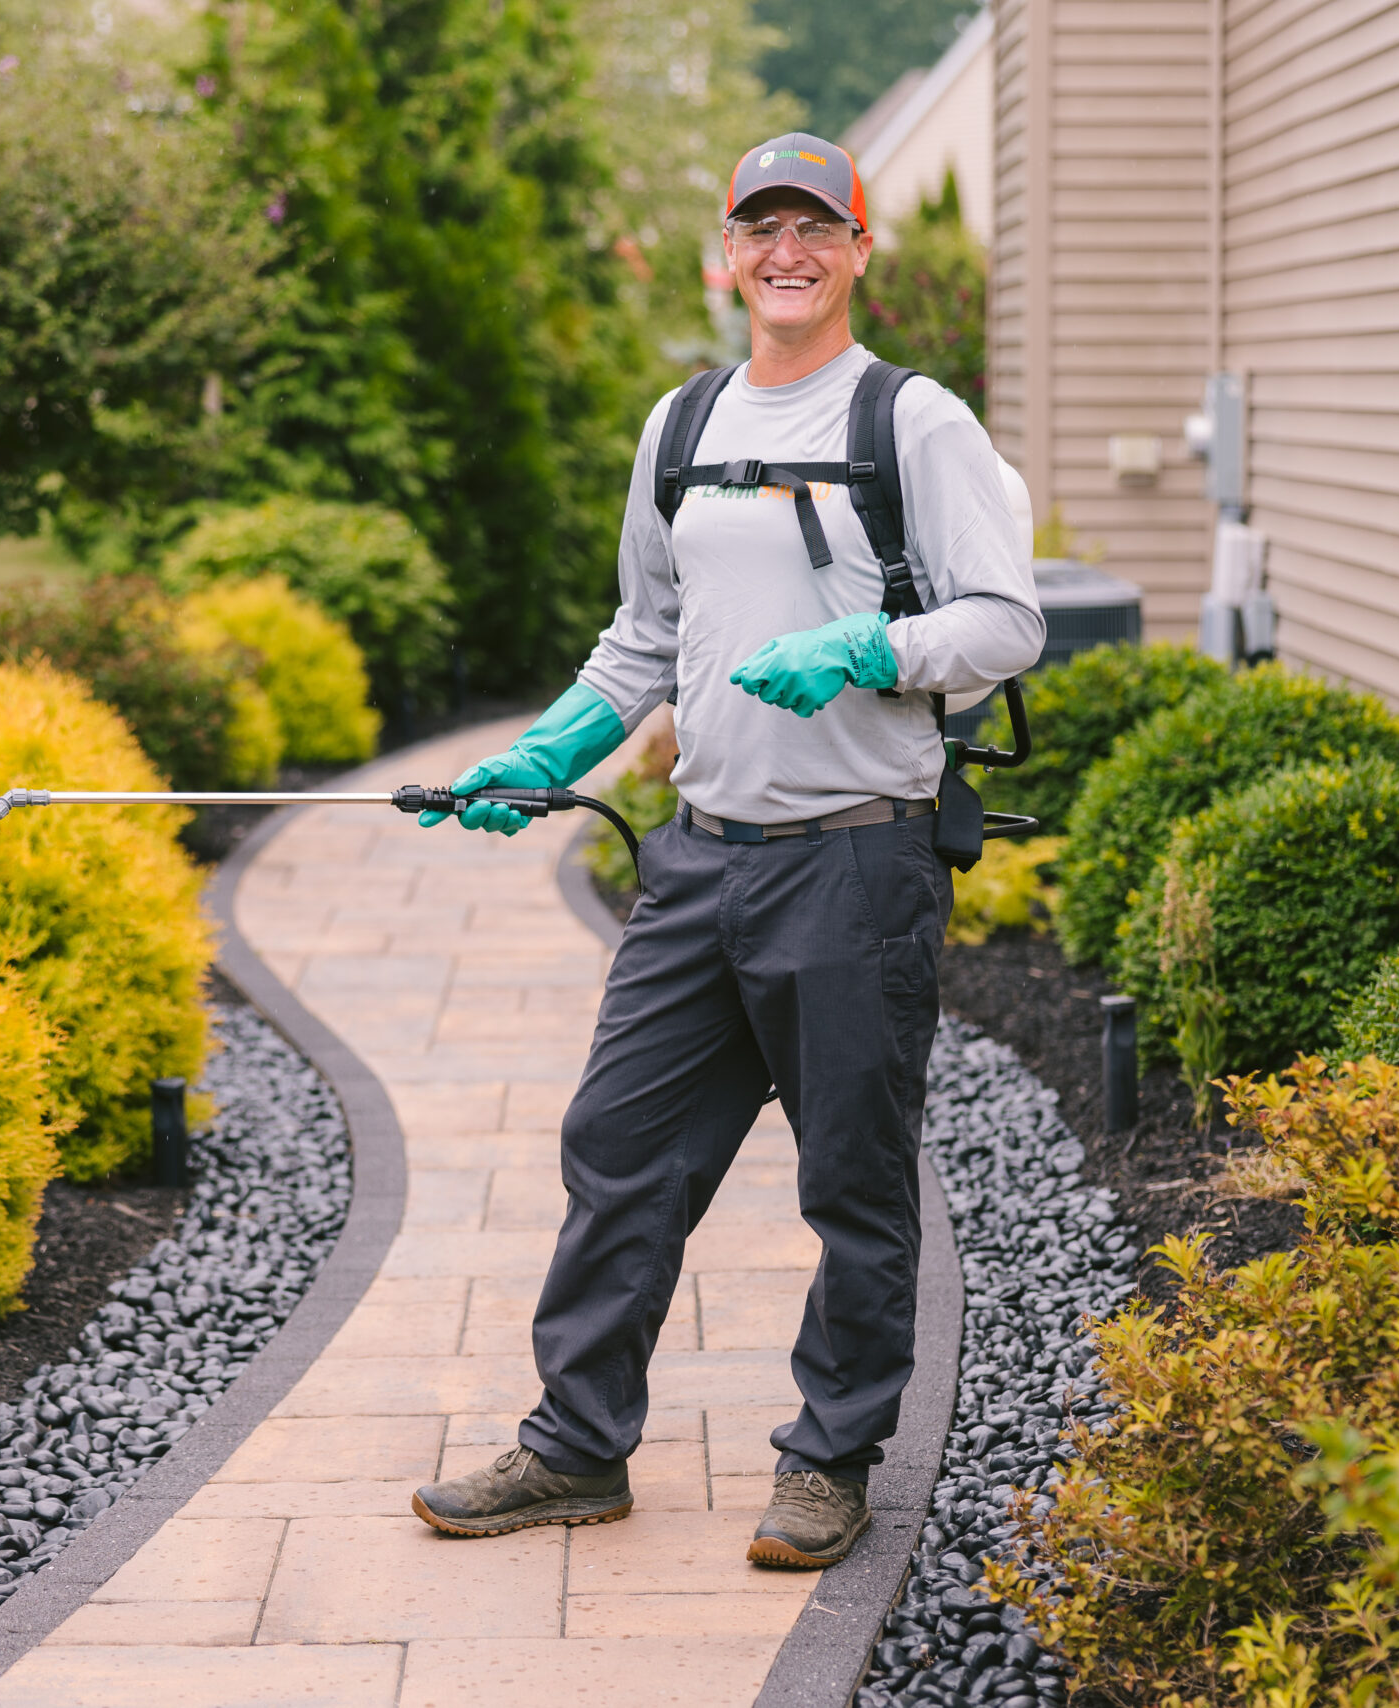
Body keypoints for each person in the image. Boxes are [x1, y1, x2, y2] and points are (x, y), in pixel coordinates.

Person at [409, 134, 1043, 1568]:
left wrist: (870, 648)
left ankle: (829, 1461)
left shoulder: (912, 421)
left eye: (816, 224)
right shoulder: (682, 424)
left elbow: (1010, 621)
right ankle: (576, 1448)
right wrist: (553, 753)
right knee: (618, 1147)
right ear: (728, 251)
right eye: (763, 226)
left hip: (856, 868)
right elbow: (642, 635)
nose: (788, 250)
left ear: (860, 249)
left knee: (853, 1182)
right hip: (698, 867)